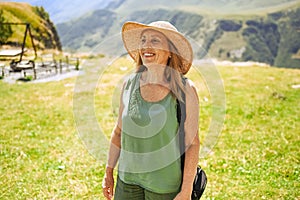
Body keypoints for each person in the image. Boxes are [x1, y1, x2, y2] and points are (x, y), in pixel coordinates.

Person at [102, 20, 200, 200]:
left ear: (171, 51)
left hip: (164, 186)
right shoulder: (128, 84)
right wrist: (109, 171)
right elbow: (118, 132)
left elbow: (193, 143)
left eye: (155, 41)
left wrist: (186, 191)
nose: (146, 46)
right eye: (143, 40)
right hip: (127, 181)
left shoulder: (185, 90)